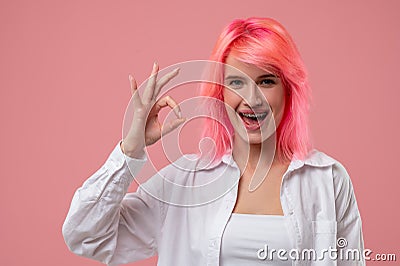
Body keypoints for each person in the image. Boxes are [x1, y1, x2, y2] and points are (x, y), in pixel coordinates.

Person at [62, 17, 365, 265]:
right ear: (220, 92)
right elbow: (85, 236)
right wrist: (131, 149)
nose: (252, 98)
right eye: (236, 81)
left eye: (267, 81)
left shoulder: (328, 179)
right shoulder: (184, 182)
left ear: (288, 90)